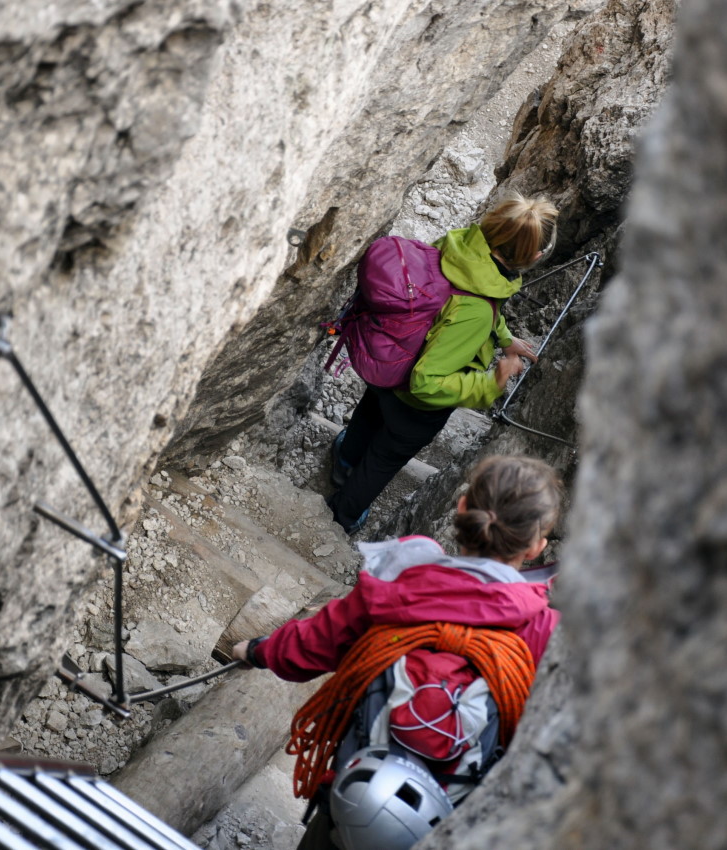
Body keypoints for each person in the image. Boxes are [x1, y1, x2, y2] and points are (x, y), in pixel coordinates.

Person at [233, 454, 563, 850]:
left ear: (461, 508)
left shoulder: (403, 579)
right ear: (536, 547)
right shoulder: (546, 634)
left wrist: (259, 651)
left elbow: (316, 643)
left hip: (356, 799)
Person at [326, 193, 559, 534]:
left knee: (370, 412)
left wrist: (503, 336)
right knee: (384, 458)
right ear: (535, 257)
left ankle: (344, 460)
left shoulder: (458, 246)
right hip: (415, 404)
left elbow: (451, 299)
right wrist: (490, 384)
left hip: (388, 360)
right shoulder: (478, 311)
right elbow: (425, 382)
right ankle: (341, 517)